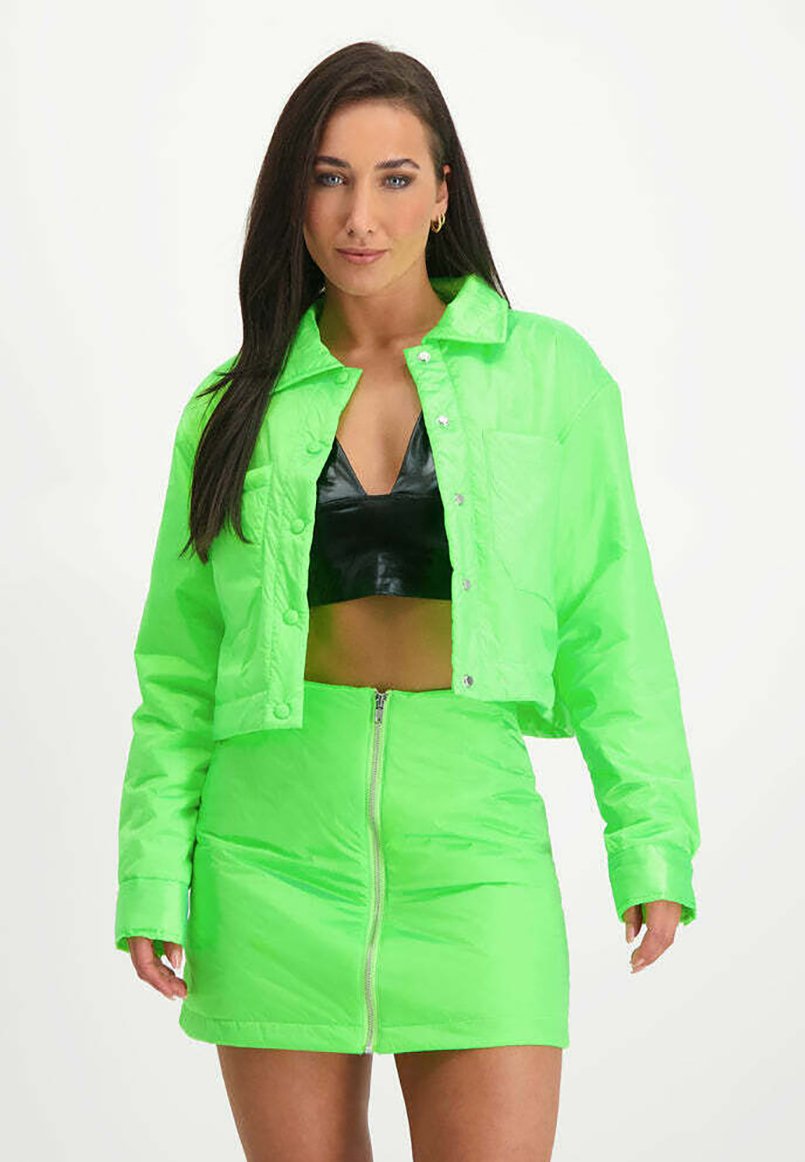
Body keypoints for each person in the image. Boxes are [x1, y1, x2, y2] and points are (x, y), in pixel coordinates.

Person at [114, 41, 701, 1162]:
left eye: (393, 178)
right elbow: (180, 669)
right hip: (268, 852)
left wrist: (650, 843)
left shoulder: (549, 375)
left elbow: (612, 624)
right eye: (328, 178)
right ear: (293, 197)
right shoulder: (229, 406)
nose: (359, 216)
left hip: (475, 850)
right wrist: (151, 872)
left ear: (442, 193)